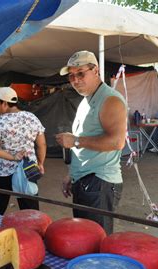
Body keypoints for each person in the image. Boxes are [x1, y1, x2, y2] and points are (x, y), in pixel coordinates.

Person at [55, 50, 127, 234]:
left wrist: (76, 141)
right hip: (85, 180)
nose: (75, 80)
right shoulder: (86, 101)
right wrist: (71, 174)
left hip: (100, 181)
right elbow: (85, 144)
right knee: (84, 237)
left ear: (95, 71)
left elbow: (117, 142)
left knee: (98, 239)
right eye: (71, 76)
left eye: (80, 73)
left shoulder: (110, 100)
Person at [0, 87, 47, 215]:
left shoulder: (0, 121)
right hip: (28, 170)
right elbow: (42, 144)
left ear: (4, 103)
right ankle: (33, 233)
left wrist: (14, 157)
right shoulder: (31, 117)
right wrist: (40, 163)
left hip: (3, 173)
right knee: (30, 211)